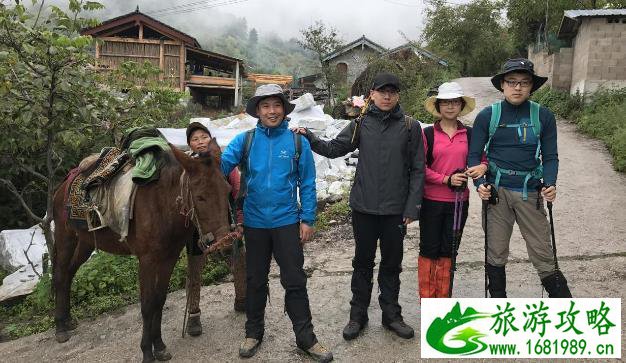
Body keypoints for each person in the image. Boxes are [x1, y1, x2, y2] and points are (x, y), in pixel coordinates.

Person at [294, 72, 424, 341]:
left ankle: (391, 315)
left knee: (392, 264)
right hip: (364, 208)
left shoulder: (410, 127)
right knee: (362, 263)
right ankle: (358, 316)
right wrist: (308, 137)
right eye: (382, 91)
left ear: (398, 95)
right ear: (372, 95)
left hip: (395, 211)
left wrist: (412, 208)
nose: (387, 96)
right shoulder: (360, 125)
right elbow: (333, 149)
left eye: (392, 91)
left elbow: (418, 170)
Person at [221, 84, 333, 362]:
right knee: (255, 280)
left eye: (277, 106)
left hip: (286, 222)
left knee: (295, 281)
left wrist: (307, 218)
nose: (272, 111)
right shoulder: (244, 141)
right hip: (255, 223)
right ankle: (253, 333)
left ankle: (306, 338)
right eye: (266, 106)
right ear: (257, 111)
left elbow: (307, 182)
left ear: (284, 110)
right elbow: (218, 169)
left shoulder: (297, 142)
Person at [467, 58, 572, 298]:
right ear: (502, 85)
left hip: (531, 192)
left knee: (543, 253)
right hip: (496, 194)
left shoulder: (543, 116)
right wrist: (480, 184)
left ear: (531, 87)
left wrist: (550, 183)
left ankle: (567, 312)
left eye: (524, 83)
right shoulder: (487, 116)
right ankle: (499, 310)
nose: (517, 87)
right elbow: (474, 156)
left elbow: (551, 156)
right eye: (512, 82)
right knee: (496, 253)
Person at [419, 82, 486, 298]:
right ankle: (428, 302)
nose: (450, 106)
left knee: (449, 250)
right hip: (431, 201)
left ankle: (443, 302)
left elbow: (482, 159)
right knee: (429, 249)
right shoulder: (427, 134)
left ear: (461, 105)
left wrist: (482, 167)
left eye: (454, 102)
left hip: (459, 202)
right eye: (445, 102)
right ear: (438, 106)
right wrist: (446, 179)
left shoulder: (471, 133)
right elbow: (419, 168)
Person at [183, 122, 247, 336]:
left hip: (224, 223)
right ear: (189, 144)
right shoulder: (187, 169)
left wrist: (239, 221)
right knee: (194, 269)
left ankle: (241, 299)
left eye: (204, 137)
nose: (200, 142)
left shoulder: (224, 163)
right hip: (198, 229)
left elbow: (237, 193)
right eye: (195, 139)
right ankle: (193, 314)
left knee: (238, 261)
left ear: (211, 139)